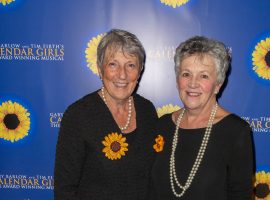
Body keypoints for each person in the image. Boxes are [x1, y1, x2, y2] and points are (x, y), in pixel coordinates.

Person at [54, 29, 158, 200]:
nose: (122, 74)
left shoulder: (147, 110)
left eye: (130, 65)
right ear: (100, 69)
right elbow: (64, 191)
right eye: (113, 64)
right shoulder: (78, 116)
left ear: (139, 72)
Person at [151, 36, 254, 199]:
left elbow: (240, 194)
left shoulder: (235, 132)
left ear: (218, 84)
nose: (193, 83)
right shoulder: (163, 125)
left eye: (204, 76)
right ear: (178, 81)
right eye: (186, 74)